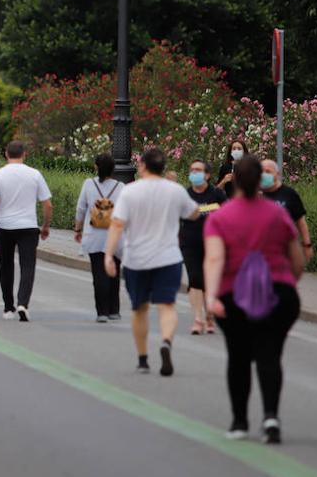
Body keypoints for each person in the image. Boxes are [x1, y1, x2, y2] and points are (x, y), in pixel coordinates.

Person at [203, 154, 305, 443]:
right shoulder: (278, 214)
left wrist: (211, 298)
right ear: (261, 180)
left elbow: (214, 259)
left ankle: (239, 422)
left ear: (234, 179)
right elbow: (296, 259)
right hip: (277, 293)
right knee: (269, 354)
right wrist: (288, 283)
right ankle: (271, 417)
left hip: (233, 294)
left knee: (238, 357)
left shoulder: (221, 217)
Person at [104, 147, 200, 376]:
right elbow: (194, 213)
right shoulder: (175, 191)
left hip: (136, 259)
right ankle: (166, 341)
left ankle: (143, 359)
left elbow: (117, 224)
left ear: (143, 166)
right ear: (163, 167)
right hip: (169, 258)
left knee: (139, 309)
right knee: (167, 306)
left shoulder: (130, 192)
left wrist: (108, 255)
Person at [0, 141, 53, 322]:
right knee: (27, 266)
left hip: (4, 226)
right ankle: (23, 303)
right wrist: (45, 226)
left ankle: (8, 307)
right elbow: (47, 204)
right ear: (25, 154)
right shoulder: (35, 174)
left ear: (6, 154)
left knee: (6, 266)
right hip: (29, 227)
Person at [74, 154, 122, 322]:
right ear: (113, 169)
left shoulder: (89, 184)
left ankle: (101, 312)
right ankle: (114, 310)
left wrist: (77, 228)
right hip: (115, 237)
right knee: (114, 273)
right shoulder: (121, 187)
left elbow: (81, 209)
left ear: (96, 167)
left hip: (94, 236)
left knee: (98, 274)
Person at [181, 159, 227, 334]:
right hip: (189, 243)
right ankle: (198, 319)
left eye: (198, 170)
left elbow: (228, 214)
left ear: (207, 175)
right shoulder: (185, 195)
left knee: (209, 282)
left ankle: (209, 316)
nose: (194, 173)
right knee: (195, 280)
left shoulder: (217, 194)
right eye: (192, 170)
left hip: (212, 245)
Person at [260, 159, 313, 262]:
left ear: (277, 174)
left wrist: (307, 244)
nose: (264, 175)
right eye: (261, 172)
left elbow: (300, 222)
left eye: (268, 172)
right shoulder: (256, 195)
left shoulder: (289, 194)